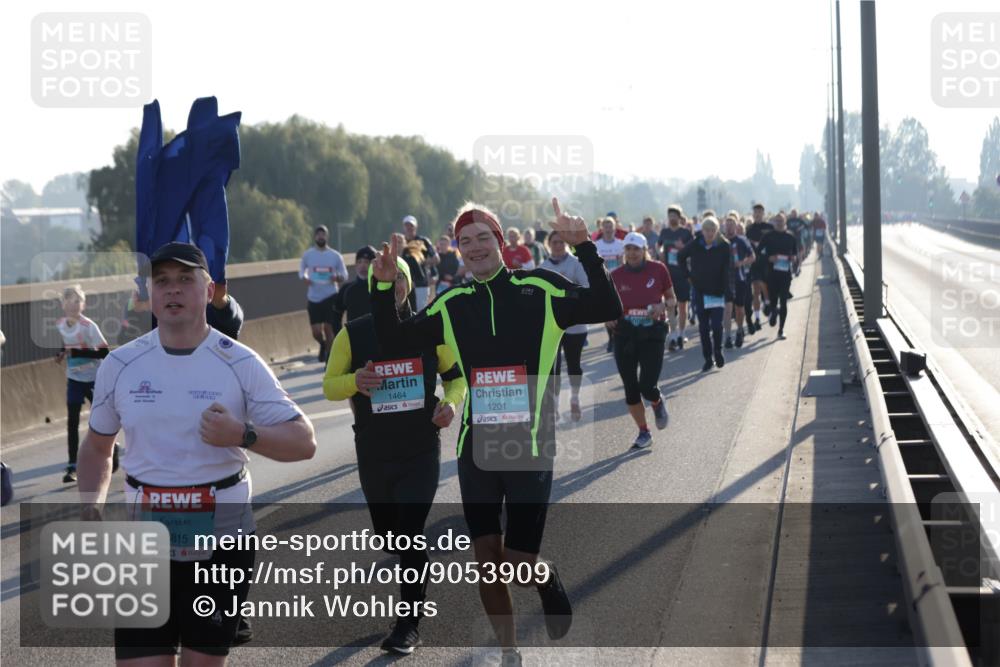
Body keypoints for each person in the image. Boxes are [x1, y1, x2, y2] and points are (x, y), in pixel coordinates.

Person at [370, 199, 622, 666]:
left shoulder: (540, 288)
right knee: (486, 560)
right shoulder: (452, 303)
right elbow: (394, 340)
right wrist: (384, 287)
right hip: (476, 448)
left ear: (501, 242)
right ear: (458, 251)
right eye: (465, 241)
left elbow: (609, 305)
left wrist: (585, 246)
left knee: (520, 565)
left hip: (528, 446)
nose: (474, 247)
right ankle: (509, 652)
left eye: (483, 236)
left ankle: (546, 577)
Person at [78, 242, 316, 665]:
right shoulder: (120, 364)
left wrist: (243, 434)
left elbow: (304, 441)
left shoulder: (240, 363)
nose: (172, 291)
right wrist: (90, 508)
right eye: (162, 281)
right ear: (150, 294)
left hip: (221, 544)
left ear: (208, 291)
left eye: (185, 280)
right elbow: (98, 447)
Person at [323, 256, 467, 655]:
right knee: (390, 535)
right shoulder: (353, 334)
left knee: (410, 533)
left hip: (420, 446)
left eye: (400, 277)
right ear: (374, 287)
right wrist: (356, 381)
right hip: (374, 448)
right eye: (385, 280)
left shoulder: (429, 329)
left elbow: (457, 380)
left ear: (408, 283)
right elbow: (329, 386)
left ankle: (408, 623)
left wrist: (451, 405)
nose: (395, 285)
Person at [609, 233, 674, 449]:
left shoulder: (658, 269)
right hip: (625, 334)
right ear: (624, 252)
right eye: (628, 249)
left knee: (646, 385)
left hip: (652, 333)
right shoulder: (615, 275)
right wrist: (607, 317)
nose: (632, 253)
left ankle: (656, 401)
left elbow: (672, 298)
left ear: (644, 249)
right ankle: (643, 432)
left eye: (636, 249)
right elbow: (606, 306)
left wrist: (662, 306)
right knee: (630, 387)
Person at [55, 284, 118, 483]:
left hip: (94, 379)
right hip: (74, 379)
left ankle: (112, 448)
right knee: (72, 422)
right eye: (69, 301)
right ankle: (72, 466)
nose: (73, 305)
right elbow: (67, 344)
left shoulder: (89, 326)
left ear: (83, 304)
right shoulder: (61, 324)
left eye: (77, 301)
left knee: (101, 419)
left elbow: (104, 352)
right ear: (63, 305)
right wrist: (61, 353)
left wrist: (77, 353)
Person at [540, 231, 588, 423]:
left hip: (575, 324)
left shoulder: (575, 264)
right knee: (554, 367)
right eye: (554, 242)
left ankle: (575, 398)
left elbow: (585, 287)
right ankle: (554, 404)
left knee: (574, 364)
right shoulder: (543, 267)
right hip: (552, 325)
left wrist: (567, 295)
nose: (558, 245)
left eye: (561, 242)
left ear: (566, 243)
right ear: (548, 244)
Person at [677, 217, 732, 372]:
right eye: (707, 230)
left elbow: (728, 269)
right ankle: (708, 358)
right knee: (703, 327)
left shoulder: (724, 246)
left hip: (717, 291)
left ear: (717, 231)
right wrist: (687, 276)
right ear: (702, 231)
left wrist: (728, 290)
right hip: (700, 290)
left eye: (712, 230)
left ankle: (718, 351)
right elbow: (681, 256)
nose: (709, 233)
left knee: (716, 325)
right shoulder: (696, 244)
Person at [300, 225, 348, 363]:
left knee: (328, 328)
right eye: (318, 234)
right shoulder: (308, 255)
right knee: (316, 331)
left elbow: (344, 274)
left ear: (327, 237)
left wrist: (337, 277)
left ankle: (329, 356)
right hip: (314, 297)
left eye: (323, 234)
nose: (321, 237)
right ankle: (322, 344)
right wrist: (305, 277)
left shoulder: (335, 256)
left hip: (331, 295)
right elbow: (302, 270)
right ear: (315, 237)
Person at [757, 214, 800, 339]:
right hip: (771, 274)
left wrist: (793, 258)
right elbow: (758, 252)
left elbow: (795, 253)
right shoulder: (768, 236)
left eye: (781, 221)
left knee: (784, 302)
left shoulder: (790, 236)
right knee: (773, 301)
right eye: (777, 221)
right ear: (774, 223)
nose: (779, 223)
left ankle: (781, 330)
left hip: (785, 274)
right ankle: (773, 312)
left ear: (785, 221)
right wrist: (769, 258)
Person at [658, 205, 694, 352]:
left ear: (679, 217)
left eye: (674, 215)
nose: (672, 218)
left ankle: (681, 333)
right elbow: (658, 246)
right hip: (668, 273)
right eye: (670, 215)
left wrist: (682, 247)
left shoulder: (685, 233)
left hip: (683, 273)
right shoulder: (664, 232)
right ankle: (672, 336)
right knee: (670, 305)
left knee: (682, 306)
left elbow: (692, 251)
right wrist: (660, 253)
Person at [723, 218, 755, 349]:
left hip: (740, 279)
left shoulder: (741, 241)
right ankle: (728, 337)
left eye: (732, 225)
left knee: (739, 309)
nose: (729, 228)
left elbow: (753, 257)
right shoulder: (721, 241)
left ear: (736, 227)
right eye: (727, 225)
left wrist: (742, 263)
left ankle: (740, 329)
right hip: (725, 280)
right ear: (724, 227)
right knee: (727, 309)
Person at [745, 203, 774, 334]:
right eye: (755, 212)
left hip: (766, 262)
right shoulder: (749, 228)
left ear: (763, 213)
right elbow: (746, 244)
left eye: (759, 212)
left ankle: (767, 302)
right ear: (753, 214)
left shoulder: (769, 227)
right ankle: (757, 318)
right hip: (754, 263)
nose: (757, 214)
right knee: (755, 290)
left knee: (764, 286)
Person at [332, 246, 378, 325]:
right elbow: (336, 314)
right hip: (353, 335)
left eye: (367, 262)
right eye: (359, 262)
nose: (362, 265)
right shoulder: (347, 289)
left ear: (374, 265)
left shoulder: (381, 288)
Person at [401, 215, 439, 310]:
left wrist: (421, 261)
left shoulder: (423, 241)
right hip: (402, 283)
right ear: (403, 227)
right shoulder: (400, 241)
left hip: (420, 282)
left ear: (416, 227)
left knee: (420, 311)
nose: (409, 228)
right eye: (407, 225)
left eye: (411, 225)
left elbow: (436, 259)